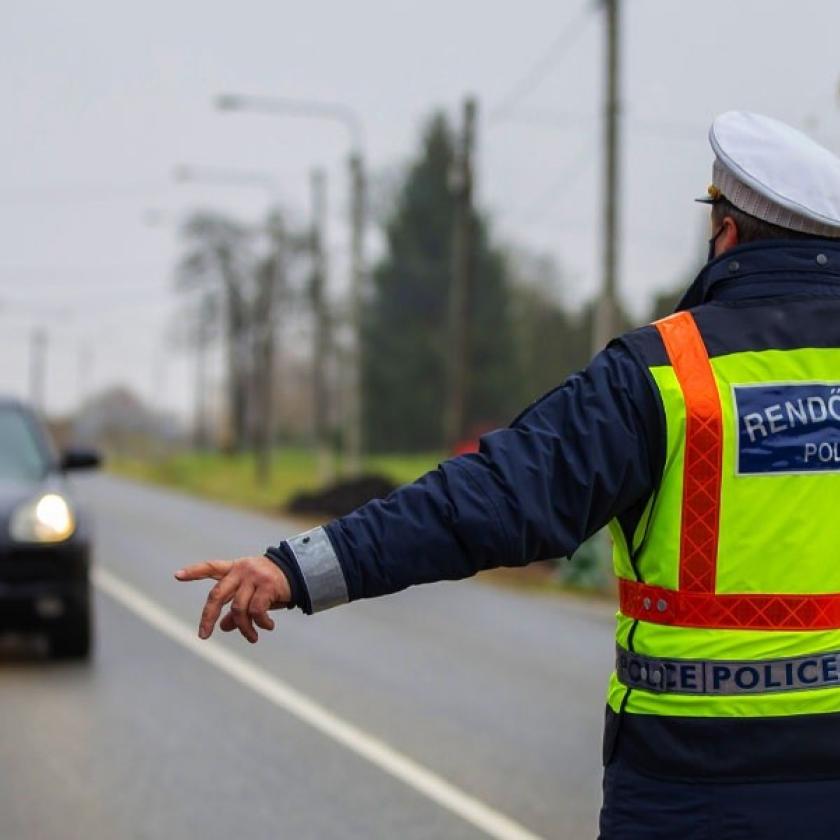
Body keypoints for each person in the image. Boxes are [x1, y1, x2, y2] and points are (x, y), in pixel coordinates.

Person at [176, 111, 840, 839]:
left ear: (728, 235)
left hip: (694, 793)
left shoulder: (668, 375)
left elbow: (488, 498)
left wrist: (294, 570)